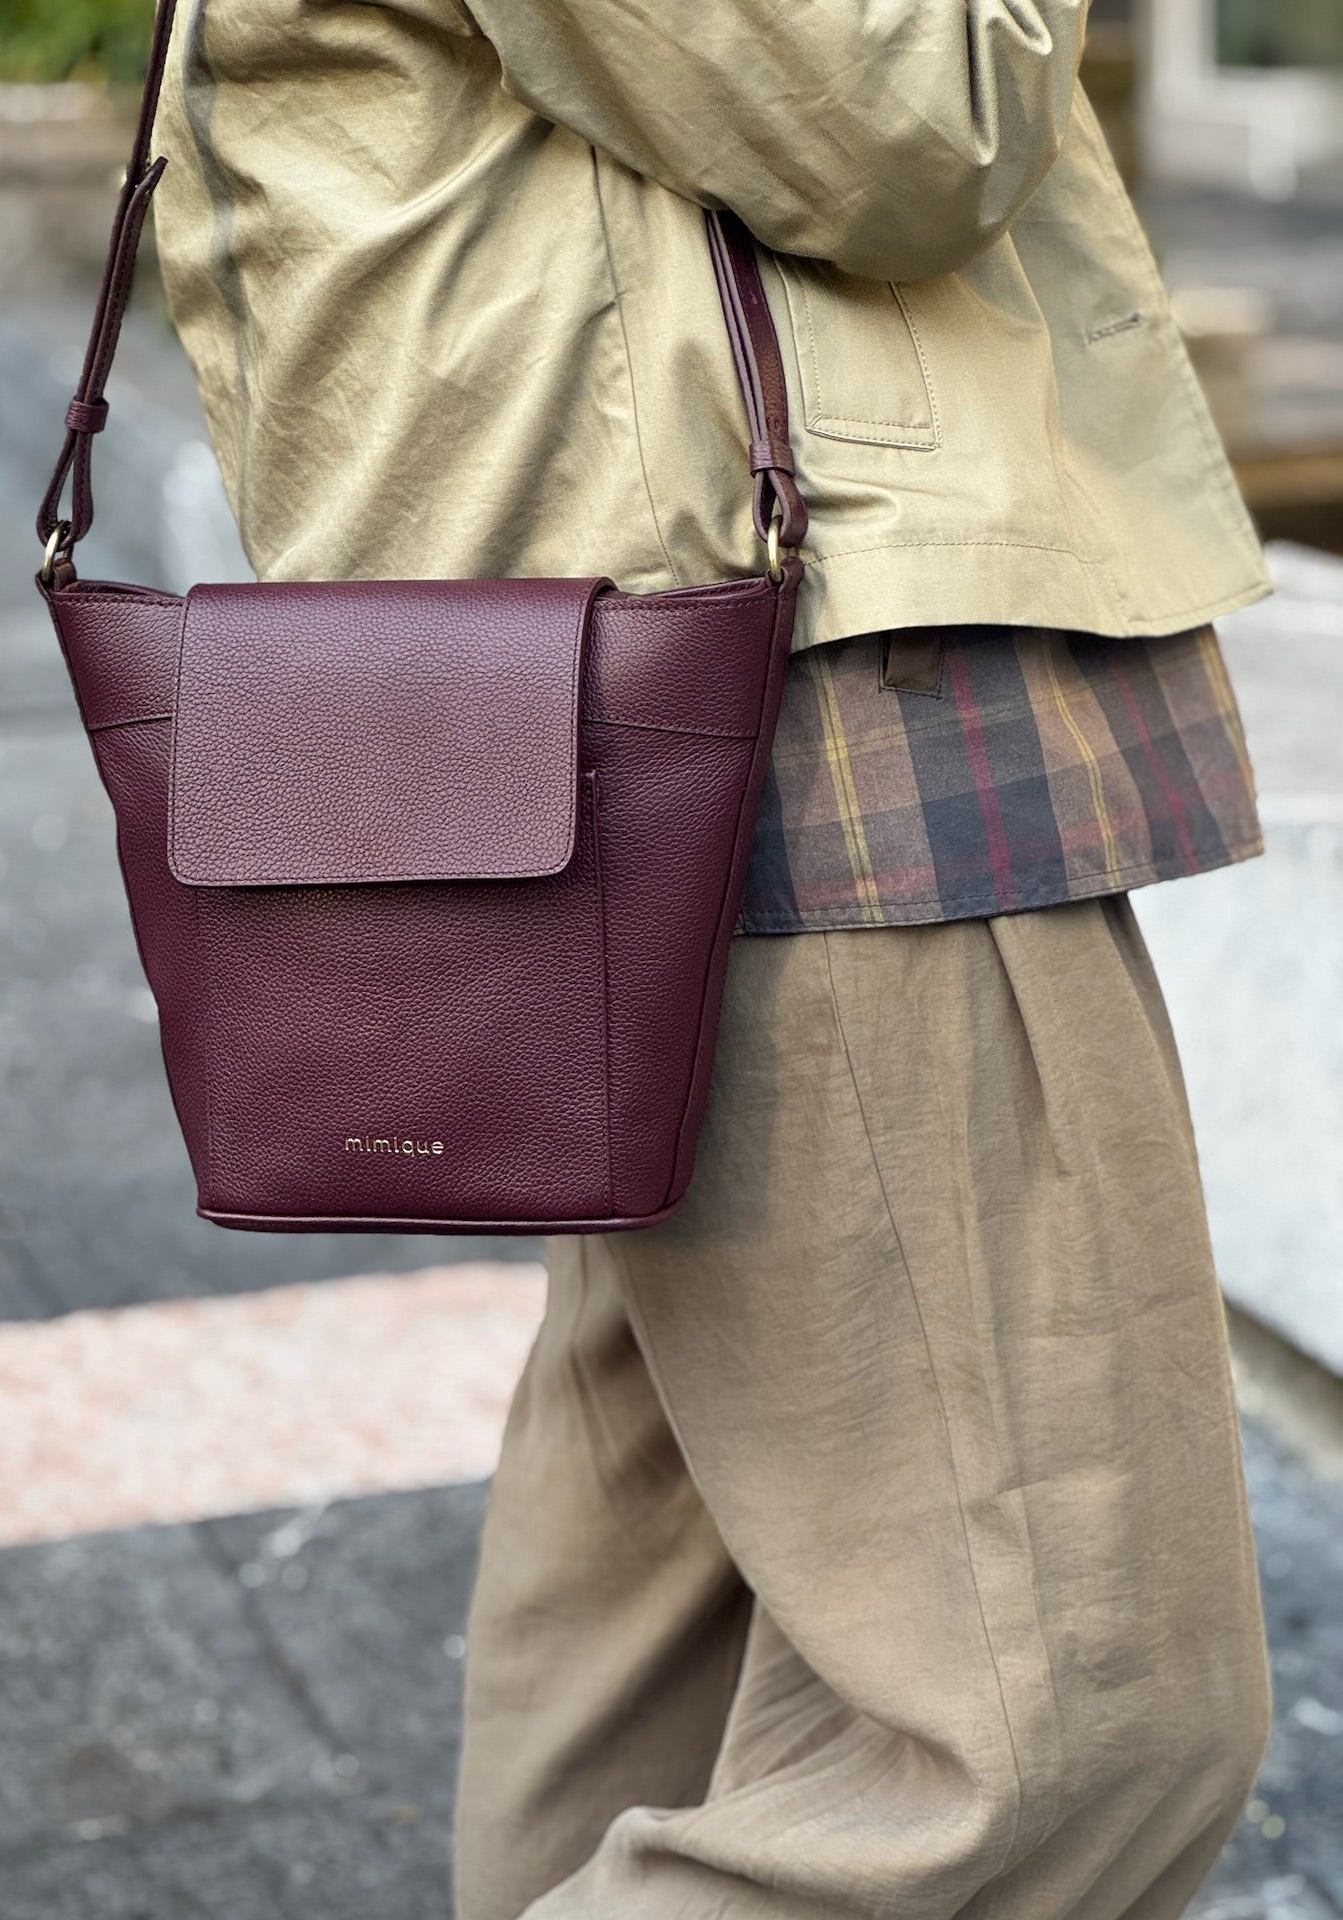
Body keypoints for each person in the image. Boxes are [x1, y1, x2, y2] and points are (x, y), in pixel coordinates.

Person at [152, 3, 1273, 1914]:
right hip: (796, 680)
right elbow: (912, 105)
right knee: (1058, 1729)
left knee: (658, 1623)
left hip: (626, 653)